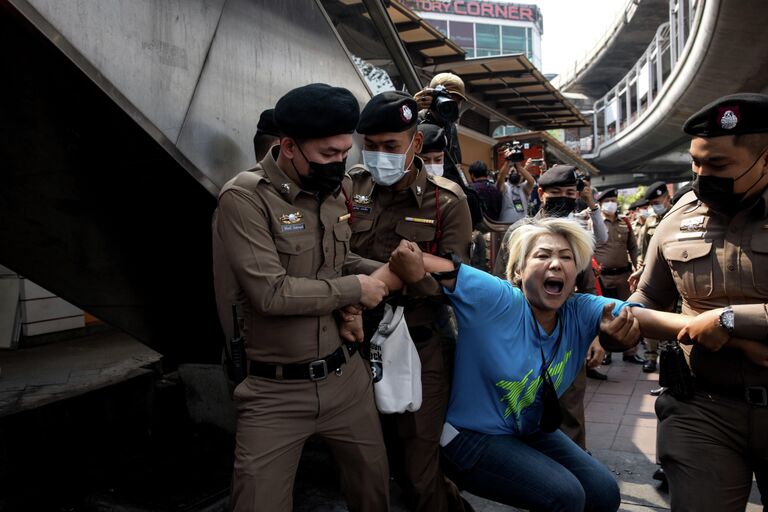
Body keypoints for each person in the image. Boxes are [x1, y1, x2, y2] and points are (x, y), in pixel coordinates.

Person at [376, 217, 695, 512]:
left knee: (603, 492)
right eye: (543, 255)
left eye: (566, 258)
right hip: (468, 437)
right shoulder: (496, 298)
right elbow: (412, 257)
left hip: (528, 429)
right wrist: (366, 295)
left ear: (575, 274)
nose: (556, 263)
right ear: (518, 271)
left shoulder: (580, 309)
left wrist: (716, 323)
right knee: (566, 495)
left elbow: (646, 318)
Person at [212, 84, 391, 512]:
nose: (339, 164)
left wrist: (394, 270)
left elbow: (338, 261)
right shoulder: (244, 198)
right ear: (288, 146)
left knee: (374, 493)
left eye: (345, 152)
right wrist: (356, 289)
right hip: (274, 392)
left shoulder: (334, 189)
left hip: (345, 380)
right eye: (329, 154)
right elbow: (270, 292)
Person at [627, 93, 768, 512]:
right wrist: (623, 322)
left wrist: (728, 320)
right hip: (703, 410)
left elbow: (720, 321)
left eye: (718, 165)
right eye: (696, 163)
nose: (702, 176)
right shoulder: (677, 217)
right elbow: (647, 298)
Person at [349, 90, 473, 512]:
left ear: (415, 144)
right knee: (367, 469)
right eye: (371, 146)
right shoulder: (351, 189)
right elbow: (330, 259)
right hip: (356, 344)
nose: (379, 155)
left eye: (391, 147)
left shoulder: (448, 201)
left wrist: (415, 277)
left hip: (421, 349)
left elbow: (454, 285)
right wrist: (394, 272)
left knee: (420, 470)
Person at [492, 165, 606, 446]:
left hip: (566, 334)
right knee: (519, 403)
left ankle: (578, 472)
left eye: (570, 193)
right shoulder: (521, 231)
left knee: (570, 407)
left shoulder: (575, 236)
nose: (564, 198)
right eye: (556, 193)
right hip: (522, 331)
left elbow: (589, 289)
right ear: (541, 193)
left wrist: (595, 334)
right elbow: (501, 282)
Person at [415, 73, 483, 228]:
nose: (450, 106)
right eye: (446, 99)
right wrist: (412, 108)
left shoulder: (450, 126)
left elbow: (455, 162)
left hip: (446, 192)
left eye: (456, 102)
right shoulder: (416, 120)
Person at [594, 188, 645, 366]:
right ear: (600, 204)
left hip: (624, 275)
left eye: (614, 200)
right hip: (603, 277)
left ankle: (630, 351)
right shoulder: (594, 222)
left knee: (629, 312)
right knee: (604, 314)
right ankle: (605, 352)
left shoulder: (625, 222)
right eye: (607, 200)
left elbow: (632, 247)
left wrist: (637, 263)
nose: (611, 204)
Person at [629, 181, 672, 373]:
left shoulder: (677, 217)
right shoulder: (650, 221)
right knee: (652, 314)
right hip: (654, 275)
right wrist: (641, 268)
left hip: (676, 277)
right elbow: (643, 249)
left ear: (667, 197)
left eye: (658, 201)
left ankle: (670, 360)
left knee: (673, 319)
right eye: (652, 202)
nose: (655, 205)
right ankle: (651, 357)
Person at [496, 155, 536, 224]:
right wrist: (507, 162)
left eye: (515, 172)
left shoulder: (523, 188)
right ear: (507, 175)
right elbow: (500, 178)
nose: (514, 173)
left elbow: (531, 181)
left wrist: (519, 167)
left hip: (522, 227)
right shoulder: (504, 187)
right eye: (511, 172)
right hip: (505, 226)